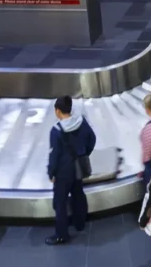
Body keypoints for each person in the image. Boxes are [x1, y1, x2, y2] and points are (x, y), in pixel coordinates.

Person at [45, 95, 96, 246]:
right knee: (78, 194)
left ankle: (62, 234)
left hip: (62, 171)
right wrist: (84, 153)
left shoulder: (56, 130)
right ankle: (79, 223)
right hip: (78, 167)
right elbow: (92, 139)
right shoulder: (82, 121)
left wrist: (51, 172)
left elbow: (54, 155)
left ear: (58, 111)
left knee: (60, 202)